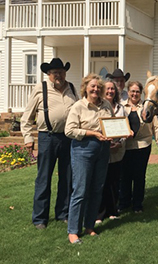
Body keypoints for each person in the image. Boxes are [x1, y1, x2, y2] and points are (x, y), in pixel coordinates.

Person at [21, 58, 78, 229]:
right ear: (49, 74)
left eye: (61, 71)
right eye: (55, 72)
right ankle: (40, 218)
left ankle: (63, 213)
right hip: (47, 138)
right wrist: (28, 138)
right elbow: (26, 117)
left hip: (68, 138)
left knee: (67, 178)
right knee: (43, 179)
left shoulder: (72, 88)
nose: (59, 75)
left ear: (65, 72)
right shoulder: (40, 89)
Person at [65, 73, 114, 244]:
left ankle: (89, 226)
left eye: (98, 87)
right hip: (83, 149)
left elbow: (112, 125)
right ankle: (73, 231)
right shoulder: (78, 106)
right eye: (92, 86)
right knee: (80, 190)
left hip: (103, 149)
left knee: (96, 189)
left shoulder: (106, 105)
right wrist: (92, 133)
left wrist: (120, 134)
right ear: (85, 87)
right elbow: (69, 130)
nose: (95, 89)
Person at [119, 81, 158, 213]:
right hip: (126, 146)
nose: (134, 94)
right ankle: (124, 203)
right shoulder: (121, 107)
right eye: (132, 91)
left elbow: (156, 129)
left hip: (143, 146)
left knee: (139, 176)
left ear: (141, 93)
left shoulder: (147, 106)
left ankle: (137, 204)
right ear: (128, 92)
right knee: (125, 176)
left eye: (137, 91)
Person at [96, 79, 131, 222]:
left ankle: (112, 211)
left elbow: (125, 127)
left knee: (114, 181)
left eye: (112, 89)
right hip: (101, 149)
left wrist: (120, 142)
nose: (110, 91)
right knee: (101, 181)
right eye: (108, 89)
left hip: (117, 150)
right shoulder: (99, 107)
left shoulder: (121, 108)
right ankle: (99, 212)